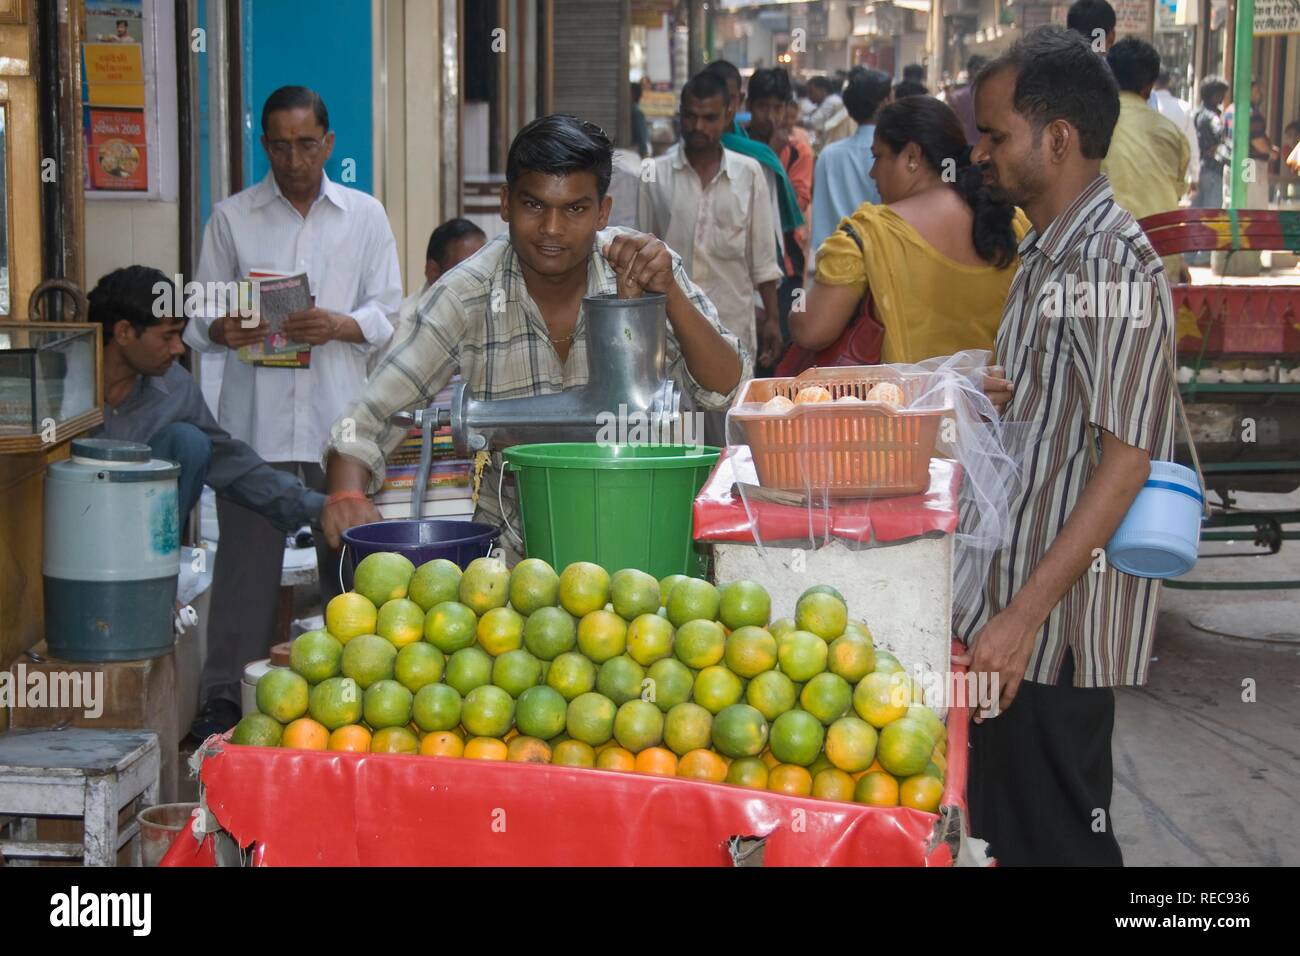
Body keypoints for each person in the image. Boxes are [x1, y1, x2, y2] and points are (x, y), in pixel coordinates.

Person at [321, 114, 745, 556]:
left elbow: (726, 387)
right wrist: (345, 494)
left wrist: (669, 294)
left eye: (576, 209)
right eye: (534, 205)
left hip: (641, 534)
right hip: (513, 557)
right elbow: (369, 417)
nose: (552, 229)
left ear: (603, 211)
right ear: (506, 203)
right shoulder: (467, 294)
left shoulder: (643, 269)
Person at [965, 25, 1175, 866]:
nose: (979, 154)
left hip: (1055, 632)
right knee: (1013, 836)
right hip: (1017, 609)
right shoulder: (1048, 252)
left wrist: (1020, 620)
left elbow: (1127, 460)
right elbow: (1058, 419)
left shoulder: (1113, 263)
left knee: (1061, 842)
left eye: (994, 134)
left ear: (1057, 139)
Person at [184, 85, 402, 733]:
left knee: (350, 571)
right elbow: (195, 315)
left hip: (345, 433)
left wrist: (340, 323)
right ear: (265, 146)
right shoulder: (233, 217)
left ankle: (355, 697)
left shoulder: (363, 216)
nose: (294, 158)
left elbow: (390, 313)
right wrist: (224, 329)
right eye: (279, 145)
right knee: (244, 577)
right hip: (257, 429)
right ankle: (224, 700)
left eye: (307, 144)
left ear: (329, 144)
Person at [91, 266, 325, 738]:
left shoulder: (174, 387)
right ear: (122, 332)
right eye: (169, 335)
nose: (180, 349)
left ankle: (153, 585)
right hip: (65, 541)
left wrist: (317, 507)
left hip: (134, 547)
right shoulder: (64, 383)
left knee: (191, 442)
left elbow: (229, 460)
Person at [792, 95, 1024, 365]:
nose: (872, 173)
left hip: (908, 405)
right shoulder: (1012, 222)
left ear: (912, 156)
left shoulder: (867, 234)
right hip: (994, 405)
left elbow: (811, 331)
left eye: (878, 157)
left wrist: (796, 303)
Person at [638, 73, 782, 443]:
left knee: (734, 444)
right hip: (668, 339)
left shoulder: (749, 174)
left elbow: (763, 259)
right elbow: (641, 249)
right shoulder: (655, 174)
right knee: (678, 441)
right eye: (690, 116)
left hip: (731, 331)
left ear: (729, 114)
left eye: (709, 118)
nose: (697, 126)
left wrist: (773, 321)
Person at [1100, 38, 1189, 278]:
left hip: (1103, 262)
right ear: (1149, 86)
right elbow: (1176, 192)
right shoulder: (1173, 134)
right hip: (1161, 260)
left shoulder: (1093, 127)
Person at [702, 60, 805, 240]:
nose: (770, 116)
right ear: (749, 105)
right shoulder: (716, 145)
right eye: (763, 107)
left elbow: (794, 206)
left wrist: (772, 157)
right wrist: (769, 153)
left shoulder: (797, 152)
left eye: (777, 108)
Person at [810, 67, 891, 255]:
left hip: (834, 261)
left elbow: (820, 218)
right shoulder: (896, 154)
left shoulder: (828, 156)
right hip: (879, 262)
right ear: (884, 102)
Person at [1148, 71, 1198, 192]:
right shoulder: (1184, 108)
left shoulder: (1144, 107)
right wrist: (1194, 177)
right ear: (1169, 82)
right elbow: (1192, 145)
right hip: (1175, 176)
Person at [1193, 77, 1231, 210]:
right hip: (1213, 170)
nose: (1222, 98)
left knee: (1195, 215)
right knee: (1211, 215)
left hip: (1197, 170)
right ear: (1213, 94)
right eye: (1221, 94)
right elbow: (1221, 135)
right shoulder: (1212, 116)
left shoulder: (1196, 113)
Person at [945, 56, 987, 147]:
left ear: (969, 71)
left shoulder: (956, 97)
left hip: (962, 146)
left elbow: (949, 125)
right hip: (986, 149)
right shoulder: (994, 95)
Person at [806, 75, 854, 150]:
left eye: (811, 92)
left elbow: (814, 121)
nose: (809, 96)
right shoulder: (829, 101)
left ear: (822, 90)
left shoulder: (831, 101)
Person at [631, 82, 651, 159]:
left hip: (636, 152)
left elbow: (642, 136)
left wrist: (644, 154)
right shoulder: (632, 111)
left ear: (633, 95)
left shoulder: (636, 112)